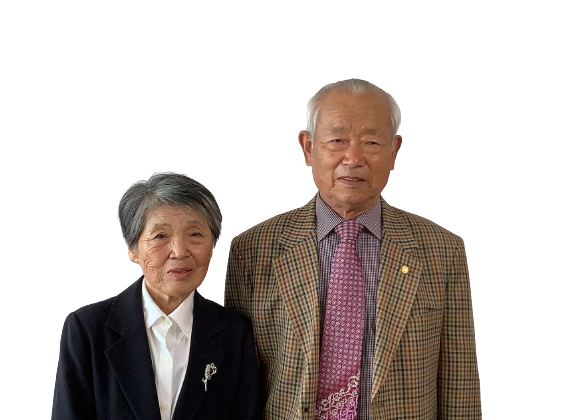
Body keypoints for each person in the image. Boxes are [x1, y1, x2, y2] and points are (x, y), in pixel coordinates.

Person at [225, 78, 481, 419]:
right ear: (307, 148)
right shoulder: (252, 250)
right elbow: (238, 380)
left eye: (371, 142)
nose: (353, 158)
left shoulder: (442, 250)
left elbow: (460, 382)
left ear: (394, 151)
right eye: (337, 140)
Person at [52, 171, 261, 420]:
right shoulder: (87, 329)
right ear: (133, 250)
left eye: (195, 234)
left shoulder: (234, 334)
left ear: (212, 246)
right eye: (161, 236)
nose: (179, 252)